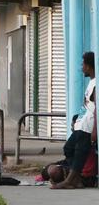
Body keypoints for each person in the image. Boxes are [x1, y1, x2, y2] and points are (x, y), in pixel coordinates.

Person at [53, 51, 96, 190]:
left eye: (83, 64)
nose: (81, 67)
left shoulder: (96, 85)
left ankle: (70, 180)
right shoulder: (91, 83)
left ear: (89, 66)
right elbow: (88, 106)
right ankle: (76, 179)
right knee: (69, 148)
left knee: (80, 153)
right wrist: (76, 119)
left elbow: (96, 109)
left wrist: (95, 129)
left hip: (88, 126)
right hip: (82, 124)